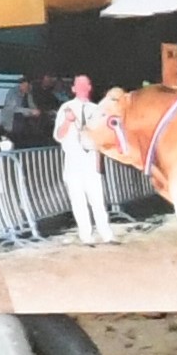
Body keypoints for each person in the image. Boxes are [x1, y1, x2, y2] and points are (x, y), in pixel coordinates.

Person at [50, 76, 115, 249]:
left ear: (90, 87)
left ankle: (106, 234)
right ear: (73, 89)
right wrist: (67, 121)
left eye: (85, 84)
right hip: (73, 161)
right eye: (79, 85)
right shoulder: (66, 108)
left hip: (91, 159)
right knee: (78, 200)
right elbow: (58, 135)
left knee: (98, 199)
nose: (82, 87)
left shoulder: (97, 109)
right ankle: (86, 236)